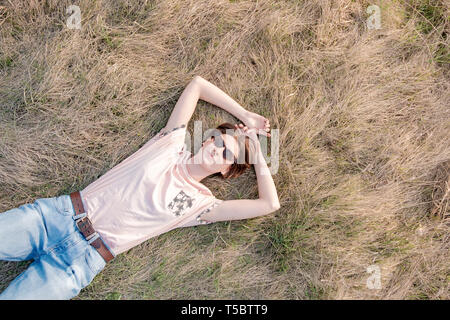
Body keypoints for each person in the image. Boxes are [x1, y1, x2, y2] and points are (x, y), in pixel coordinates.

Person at [0, 75, 280, 300]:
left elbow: (269, 204)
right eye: (218, 141)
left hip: (78, 264)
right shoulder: (169, 143)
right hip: (55, 218)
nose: (217, 150)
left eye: (226, 155)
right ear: (207, 139)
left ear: (226, 170)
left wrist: (255, 152)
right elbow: (197, 84)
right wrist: (243, 114)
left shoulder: (201, 205)